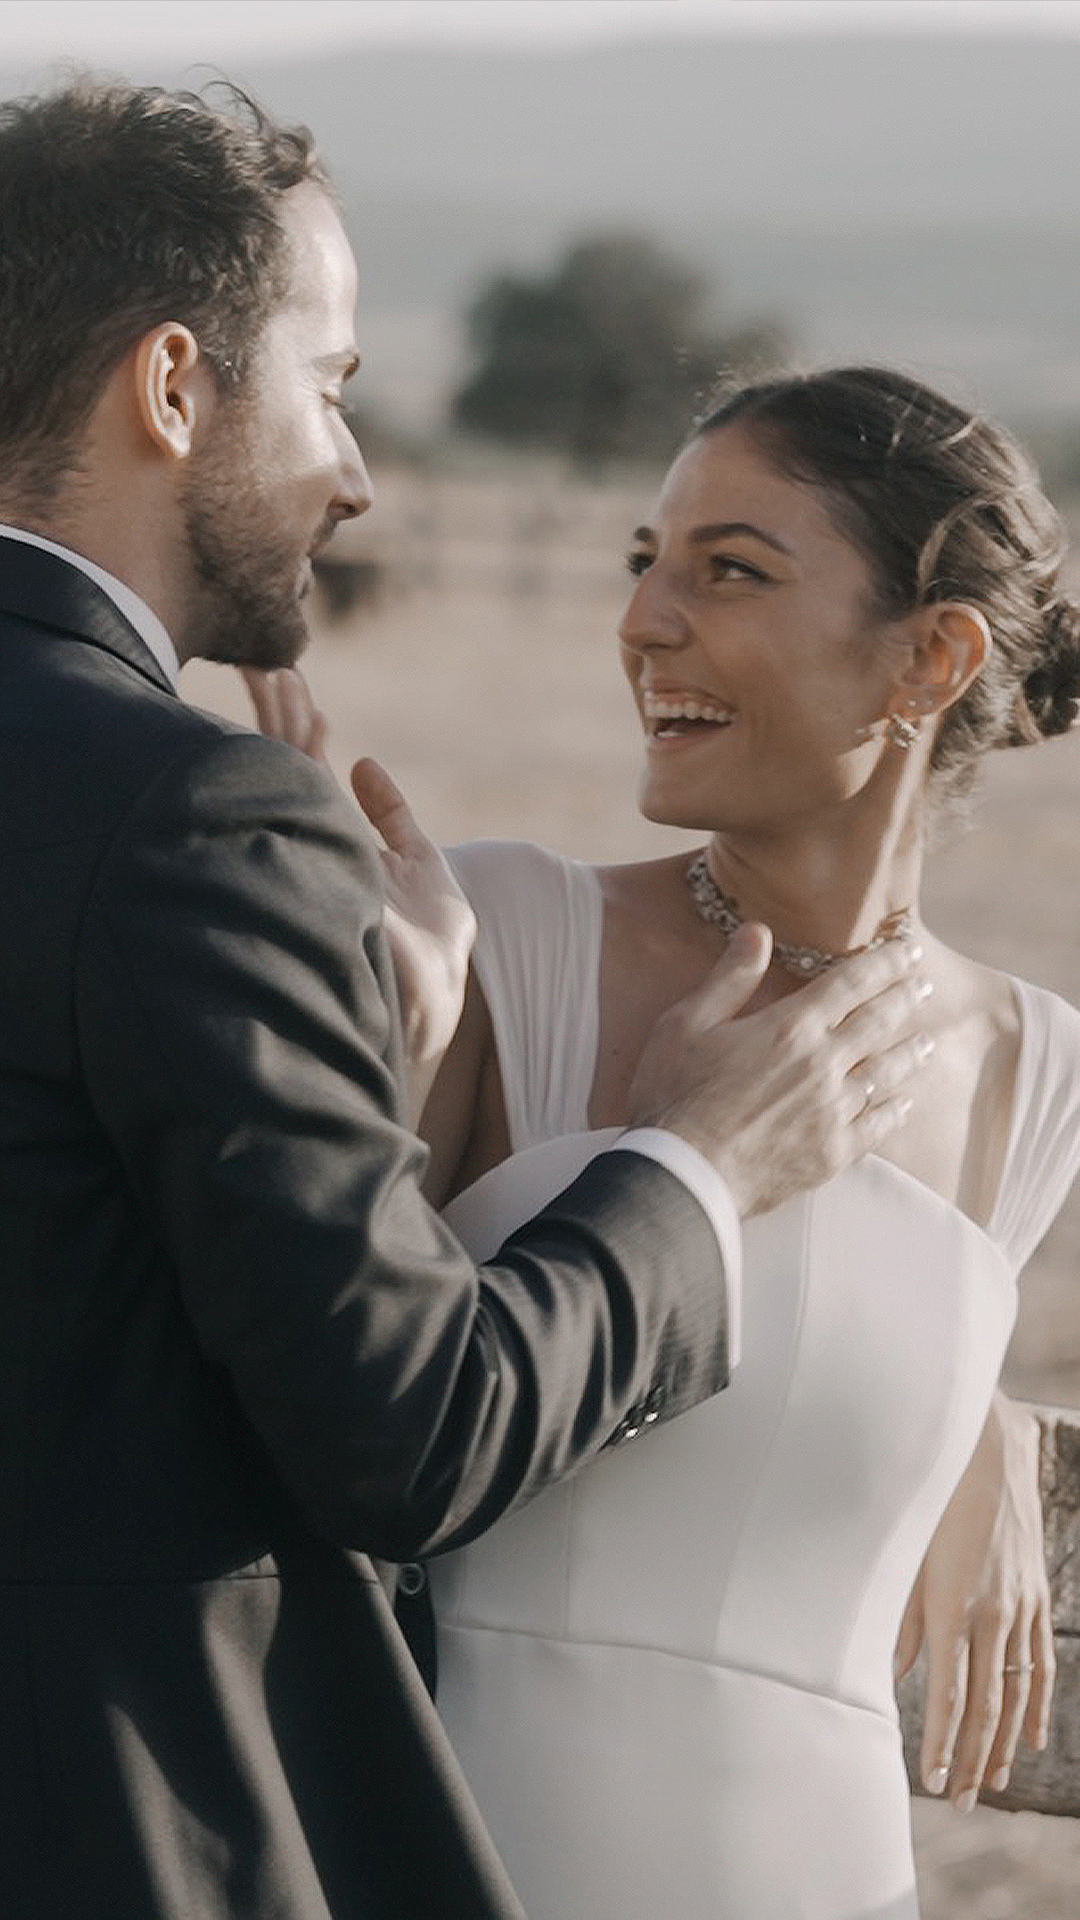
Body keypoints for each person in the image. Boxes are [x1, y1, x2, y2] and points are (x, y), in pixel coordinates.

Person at [0, 83, 936, 1920]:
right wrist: (697, 1169)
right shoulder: (185, 815)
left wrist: (379, 1052)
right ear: (173, 387)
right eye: (330, 385)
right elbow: (409, 1438)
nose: (355, 475)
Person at [336, 368, 1080, 1919]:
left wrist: (989, 1418)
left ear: (933, 656)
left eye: (729, 570)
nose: (644, 622)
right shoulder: (505, 940)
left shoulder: (1036, 1071)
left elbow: (841, 1351)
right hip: (478, 1861)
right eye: (645, 561)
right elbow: (342, 1386)